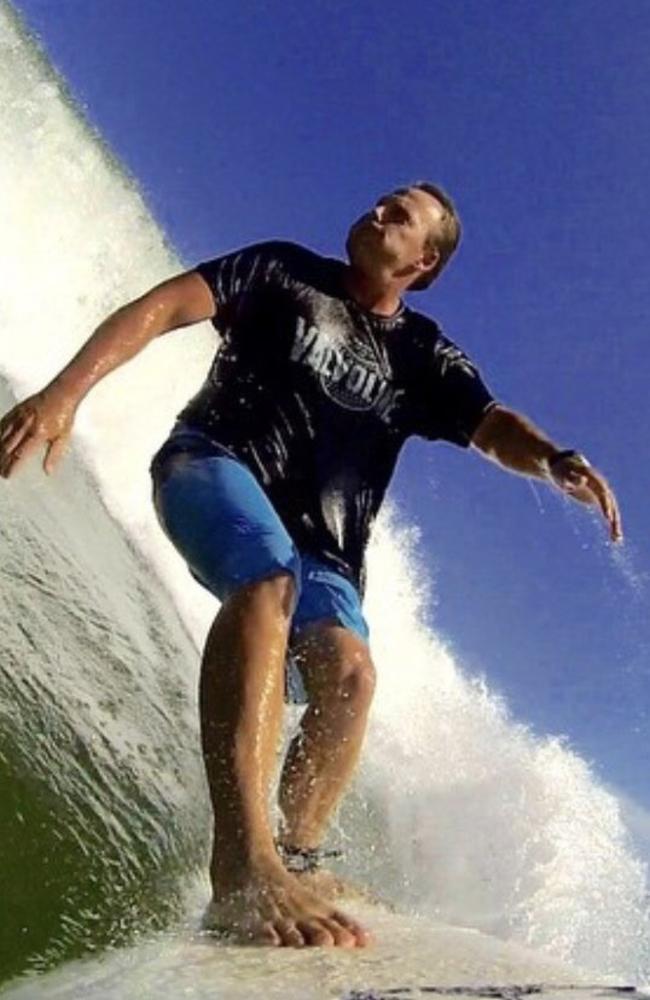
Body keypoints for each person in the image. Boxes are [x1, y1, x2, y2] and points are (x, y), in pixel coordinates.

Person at [0, 182, 622, 950]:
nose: (380, 210)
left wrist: (552, 459)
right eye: (384, 200)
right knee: (268, 584)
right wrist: (65, 393)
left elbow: (489, 424)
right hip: (213, 463)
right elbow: (161, 308)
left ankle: (297, 854)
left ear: (424, 263)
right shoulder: (282, 271)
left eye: (405, 216)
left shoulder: (423, 354)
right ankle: (244, 863)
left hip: (327, 553)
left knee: (351, 677)